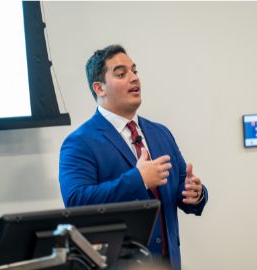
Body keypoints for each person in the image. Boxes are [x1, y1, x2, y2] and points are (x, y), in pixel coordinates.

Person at [59, 45, 208, 270]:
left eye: (135, 71)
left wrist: (195, 194)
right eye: (121, 74)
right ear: (99, 88)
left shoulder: (161, 133)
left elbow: (179, 190)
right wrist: (137, 180)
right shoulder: (79, 142)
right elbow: (77, 202)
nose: (134, 78)